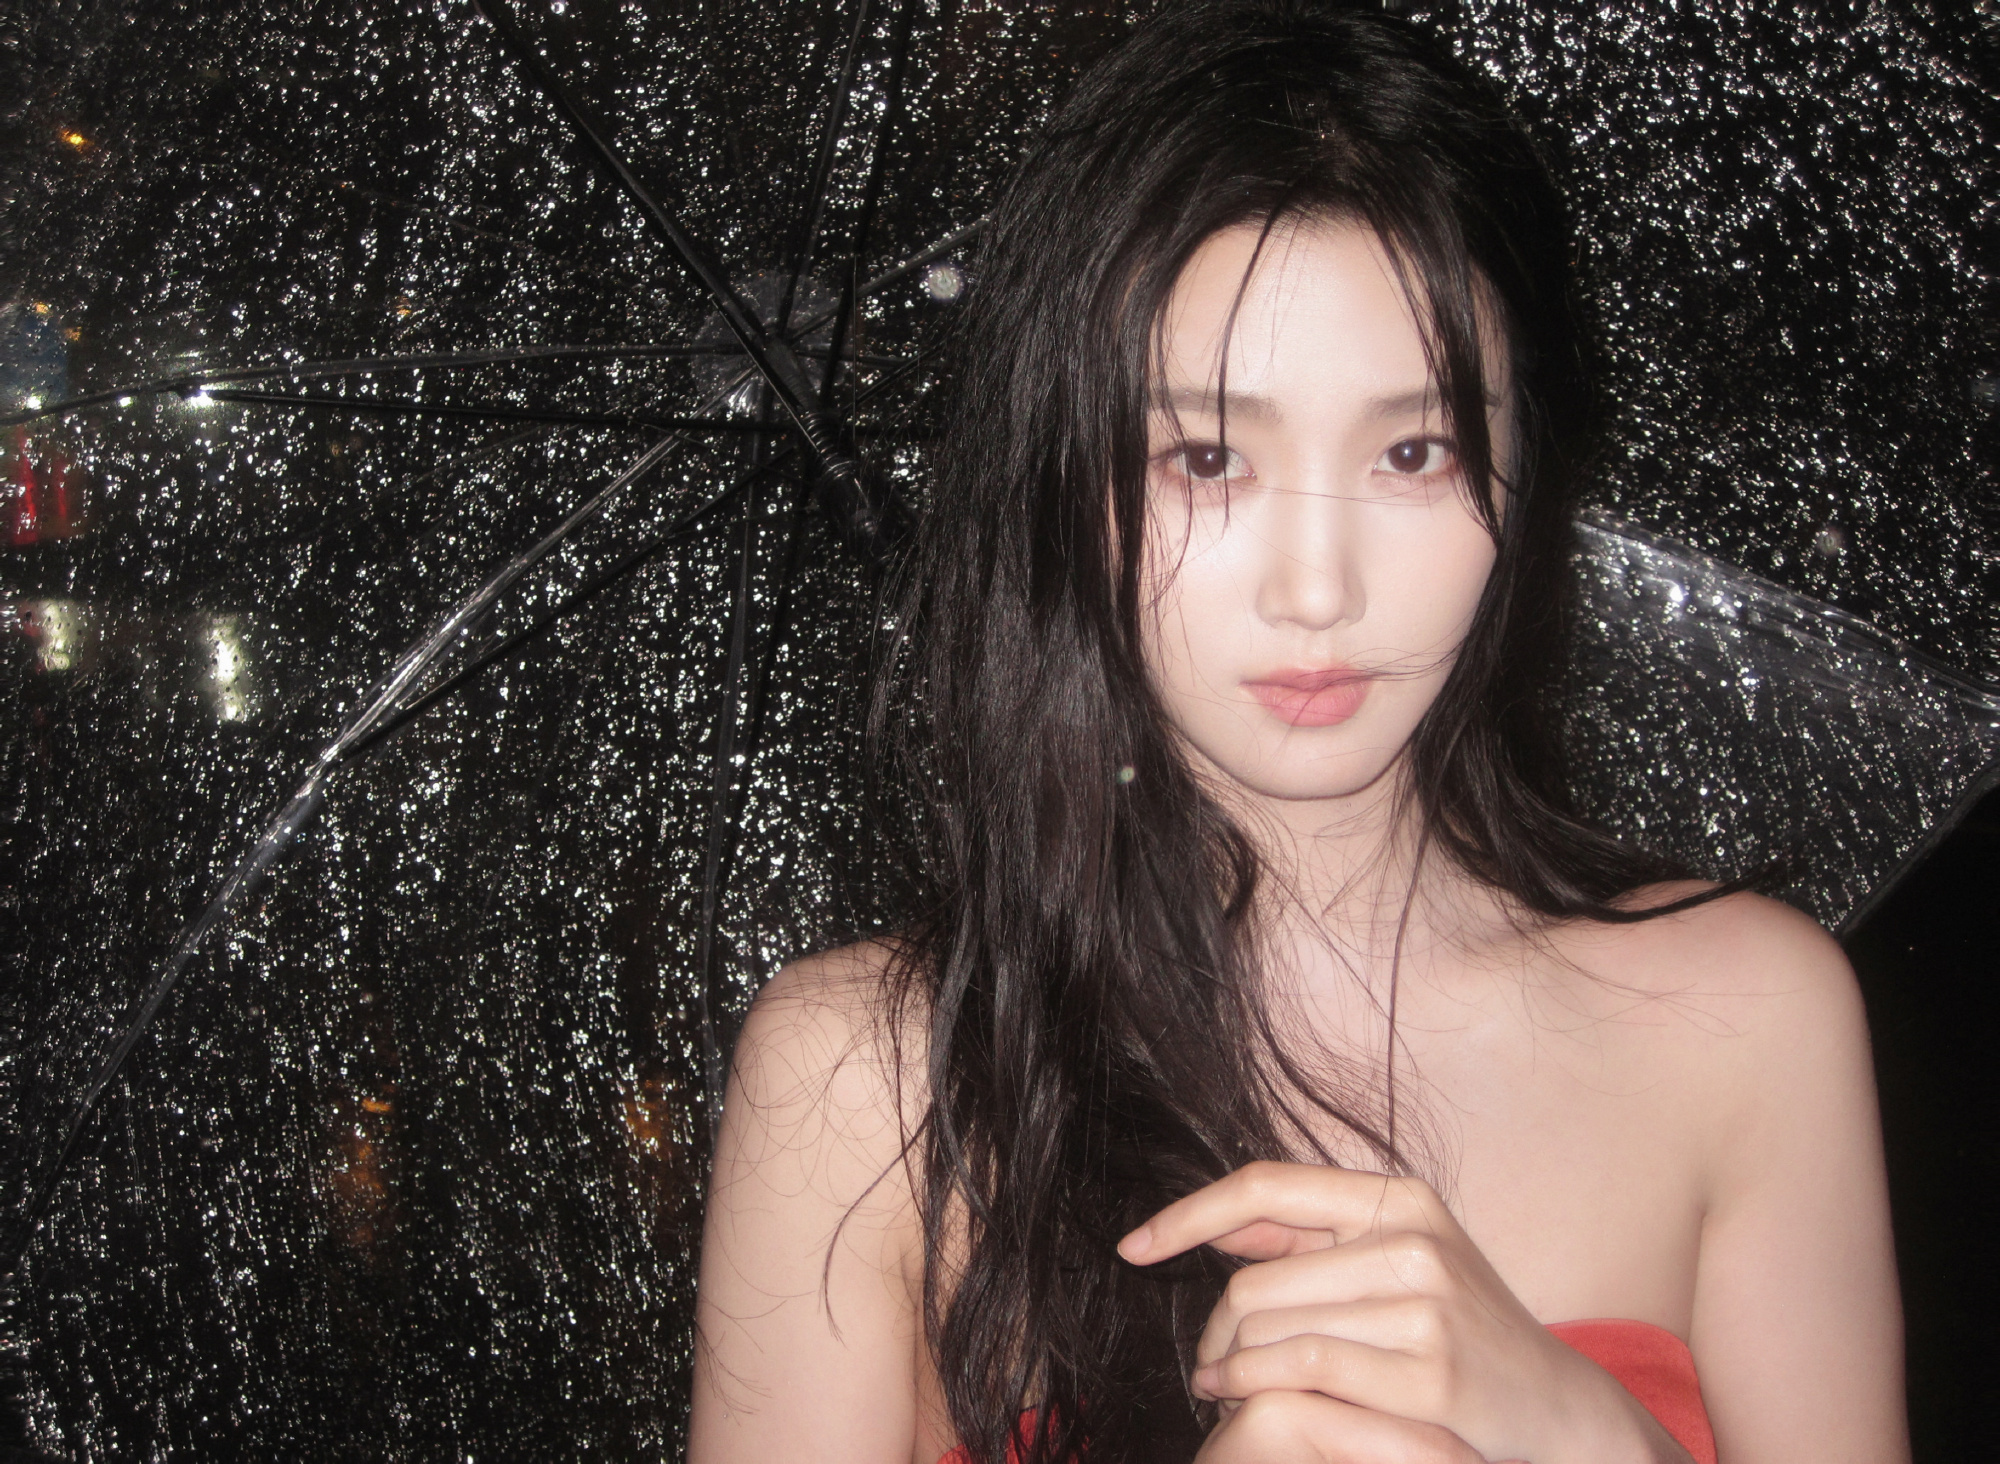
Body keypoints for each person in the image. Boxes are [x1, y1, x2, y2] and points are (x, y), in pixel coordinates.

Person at [687, 3, 1909, 1461]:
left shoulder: (1749, 1020)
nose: (1319, 591)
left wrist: (1589, 1437)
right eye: (1208, 457)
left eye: (1414, 451)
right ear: (1067, 480)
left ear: (1525, 466)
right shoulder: (868, 1086)